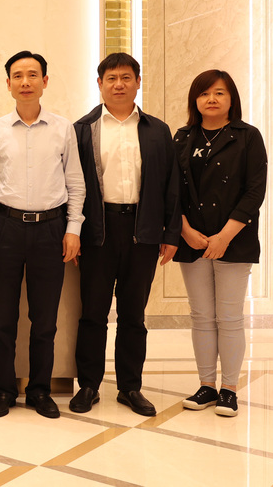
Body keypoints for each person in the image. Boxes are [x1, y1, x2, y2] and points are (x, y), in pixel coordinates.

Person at [70, 53, 180, 417]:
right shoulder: (82, 129)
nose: (119, 84)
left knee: (134, 315)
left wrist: (170, 233)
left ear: (137, 82)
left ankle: (130, 387)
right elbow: (71, 185)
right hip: (97, 230)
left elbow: (170, 186)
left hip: (142, 231)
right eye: (112, 78)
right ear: (99, 84)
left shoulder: (157, 130)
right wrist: (73, 232)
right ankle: (88, 385)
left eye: (126, 77)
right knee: (93, 313)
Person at [0, 50, 84, 419]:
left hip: (51, 229)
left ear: (45, 81)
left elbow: (75, 183)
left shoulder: (63, 128)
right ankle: (3, 390)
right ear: (8, 84)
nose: (25, 82)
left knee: (45, 320)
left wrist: (73, 229)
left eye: (33, 75)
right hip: (5, 228)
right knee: (2, 318)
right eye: (18, 76)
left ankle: (40, 390)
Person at [173, 70, 267, 417]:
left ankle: (229, 389)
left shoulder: (247, 137)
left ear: (231, 99)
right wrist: (185, 231)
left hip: (235, 240)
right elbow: (172, 191)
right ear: (194, 100)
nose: (211, 99)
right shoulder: (182, 137)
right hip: (192, 239)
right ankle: (206, 386)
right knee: (200, 315)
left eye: (219, 93)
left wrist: (224, 236)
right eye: (204, 94)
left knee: (228, 316)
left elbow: (254, 191)